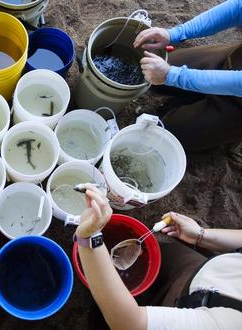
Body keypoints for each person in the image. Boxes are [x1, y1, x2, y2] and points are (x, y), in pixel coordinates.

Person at [75, 184, 242, 329]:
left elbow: (130, 323)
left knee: (106, 316)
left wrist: (89, 237)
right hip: (202, 270)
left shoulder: (231, 323)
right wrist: (202, 235)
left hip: (192, 308)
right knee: (170, 254)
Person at [134, 0, 242, 151]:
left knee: (164, 138)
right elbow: (238, 8)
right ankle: (193, 97)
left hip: (238, 104)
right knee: (168, 65)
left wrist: (172, 76)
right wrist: (173, 34)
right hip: (235, 61)